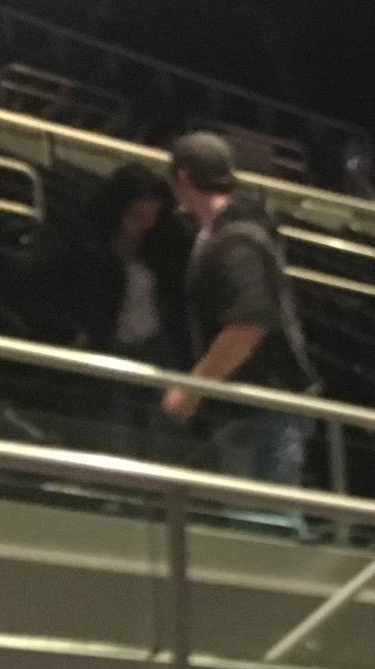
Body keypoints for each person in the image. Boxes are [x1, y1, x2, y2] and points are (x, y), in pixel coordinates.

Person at [162, 134, 320, 489]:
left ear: (184, 178)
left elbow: (248, 325)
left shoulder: (235, 241)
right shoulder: (230, 229)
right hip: (258, 403)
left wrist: (191, 389)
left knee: (268, 519)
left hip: (265, 403)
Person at [41, 164, 188, 369]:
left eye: (152, 217)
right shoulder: (81, 249)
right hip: (106, 348)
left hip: (155, 345)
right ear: (117, 210)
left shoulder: (160, 246)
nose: (146, 225)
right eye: (137, 216)